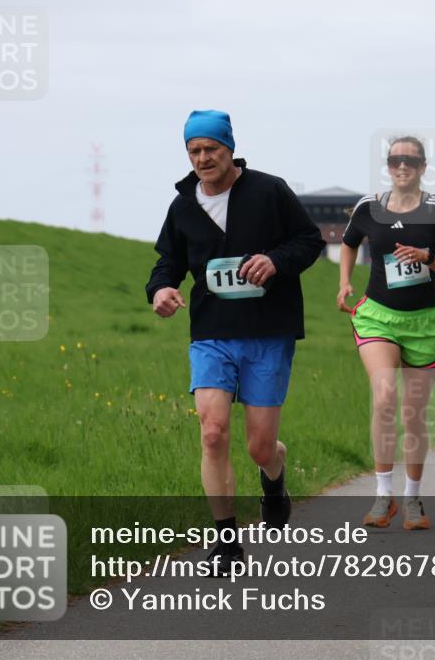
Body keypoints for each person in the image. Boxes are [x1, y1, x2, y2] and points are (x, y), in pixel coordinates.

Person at [146, 110, 325, 573]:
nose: (203, 158)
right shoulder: (183, 207)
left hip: (268, 332)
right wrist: (161, 289)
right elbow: (168, 262)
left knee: (260, 448)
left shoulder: (269, 190)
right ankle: (227, 543)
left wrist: (276, 260)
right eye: (194, 151)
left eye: (211, 149)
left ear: (229, 148)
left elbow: (308, 240)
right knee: (212, 432)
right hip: (212, 333)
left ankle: (274, 476)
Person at [337, 136, 435, 530]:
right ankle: (383, 497)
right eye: (395, 159)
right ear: (388, 164)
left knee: (413, 414)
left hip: (424, 324)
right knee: (384, 397)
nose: (402, 166)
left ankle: (412, 497)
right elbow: (348, 243)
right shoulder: (368, 207)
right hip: (378, 316)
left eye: (410, 161)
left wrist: (427, 257)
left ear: (423, 167)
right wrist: (345, 281)